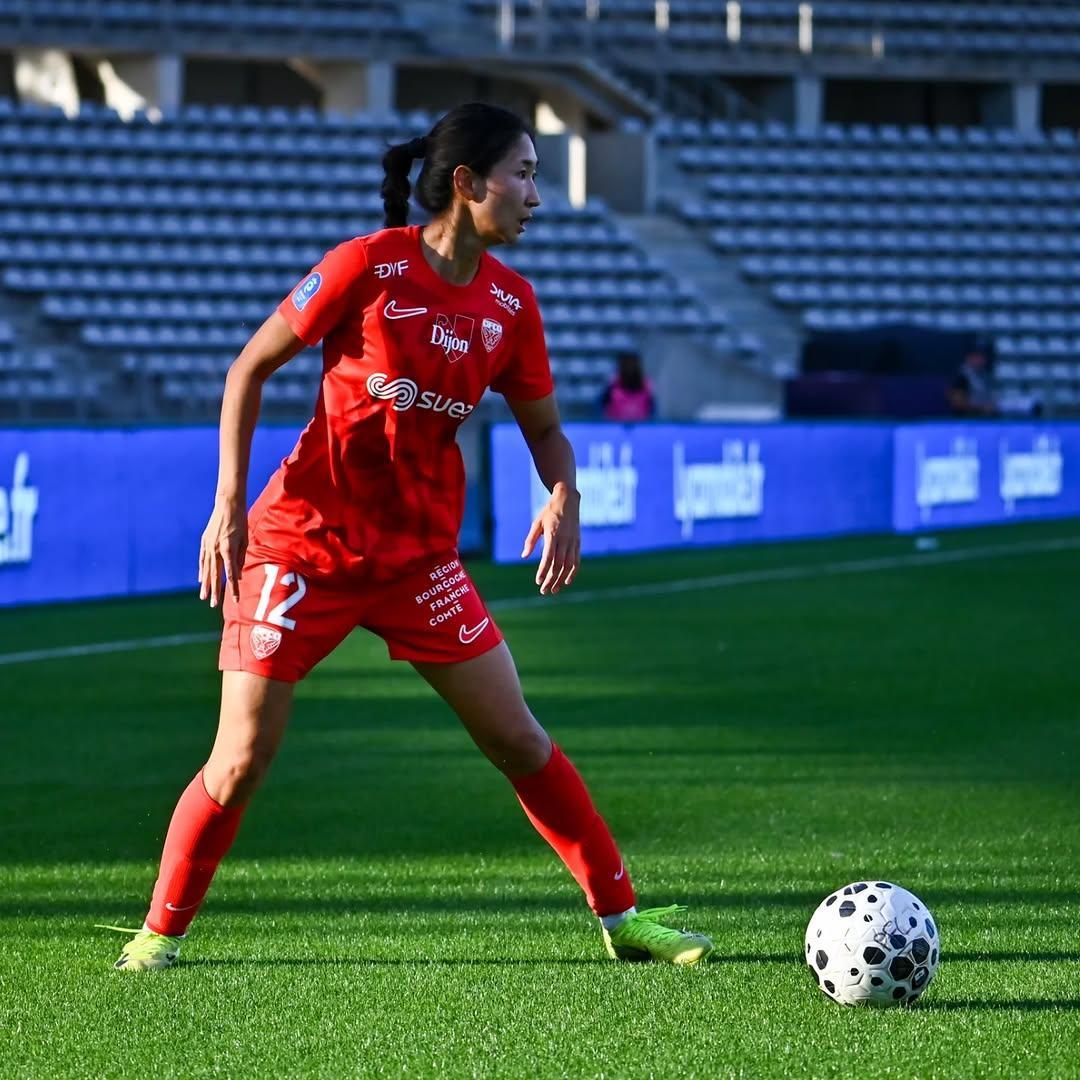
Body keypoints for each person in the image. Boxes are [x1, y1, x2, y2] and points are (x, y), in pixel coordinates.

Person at [102, 103, 712, 971]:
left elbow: (544, 428)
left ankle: (625, 920)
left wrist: (563, 493)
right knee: (238, 760)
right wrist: (228, 503)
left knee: (518, 738)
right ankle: (159, 935)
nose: (536, 196)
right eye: (524, 174)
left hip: (418, 560)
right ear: (467, 183)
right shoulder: (366, 266)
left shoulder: (511, 304)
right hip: (300, 545)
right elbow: (248, 368)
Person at [601, 351, 656, 422]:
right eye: (626, 364)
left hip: (640, 425)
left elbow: (652, 410)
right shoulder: (612, 384)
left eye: (632, 365)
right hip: (616, 425)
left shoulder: (646, 384)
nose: (629, 368)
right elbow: (603, 407)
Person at [948, 344, 998, 417]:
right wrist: (982, 409)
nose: (981, 360)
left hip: (987, 418)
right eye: (977, 357)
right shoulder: (960, 377)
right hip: (966, 419)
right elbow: (957, 404)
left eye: (982, 357)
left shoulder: (986, 376)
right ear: (968, 358)